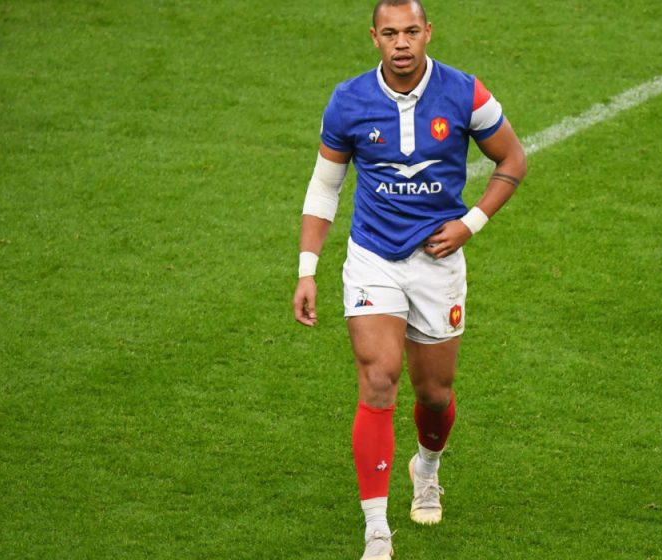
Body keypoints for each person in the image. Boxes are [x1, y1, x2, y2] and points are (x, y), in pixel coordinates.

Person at [292, 0, 526, 558]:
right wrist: (307, 269)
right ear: (374, 37)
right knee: (379, 379)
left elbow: (512, 159)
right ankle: (376, 528)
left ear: (428, 34)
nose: (402, 43)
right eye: (390, 33)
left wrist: (469, 225)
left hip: (438, 263)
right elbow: (325, 188)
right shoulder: (348, 101)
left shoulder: (466, 93)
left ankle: (427, 466)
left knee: (434, 394)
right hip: (373, 257)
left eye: (412, 31)